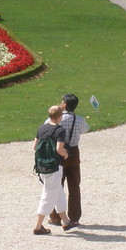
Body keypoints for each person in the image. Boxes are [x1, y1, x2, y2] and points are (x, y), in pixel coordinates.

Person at [48, 94, 88, 227]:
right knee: (74, 186)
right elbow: (86, 129)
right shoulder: (79, 119)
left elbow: (45, 127)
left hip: (59, 153)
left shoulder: (58, 118)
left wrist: (57, 110)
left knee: (56, 185)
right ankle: (75, 217)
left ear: (64, 104)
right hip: (74, 152)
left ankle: (55, 217)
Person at [33, 105, 74, 235]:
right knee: (48, 194)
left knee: (58, 192)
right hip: (54, 166)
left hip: (42, 166)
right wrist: (66, 155)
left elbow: (35, 147)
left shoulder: (42, 128)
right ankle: (38, 226)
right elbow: (59, 149)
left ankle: (66, 221)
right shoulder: (59, 130)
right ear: (59, 117)